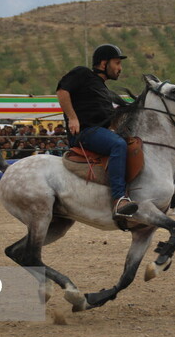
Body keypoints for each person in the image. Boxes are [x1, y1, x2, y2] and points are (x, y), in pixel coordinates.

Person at [56, 43, 138, 218]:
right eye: (117, 63)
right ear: (103, 63)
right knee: (118, 144)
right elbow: (62, 91)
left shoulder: (104, 90)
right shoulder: (82, 73)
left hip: (100, 132)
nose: (120, 68)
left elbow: (110, 123)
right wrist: (72, 117)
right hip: (85, 132)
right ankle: (118, 199)